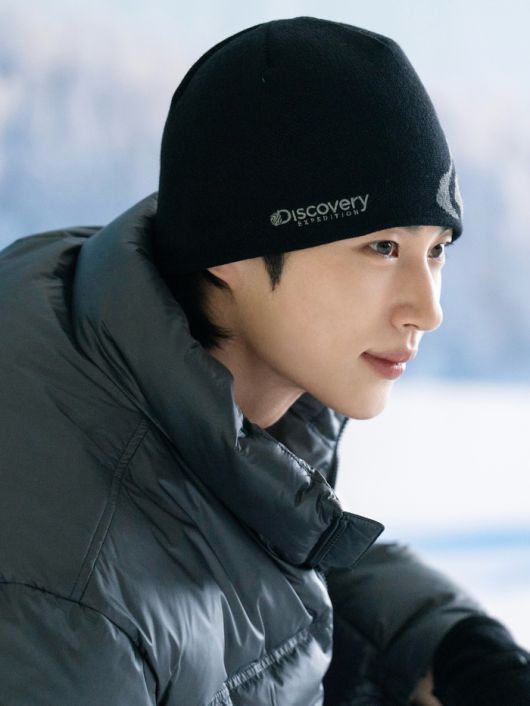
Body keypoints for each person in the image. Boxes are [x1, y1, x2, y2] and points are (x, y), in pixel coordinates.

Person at [0, 15, 529, 706]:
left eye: (436, 250)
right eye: (381, 248)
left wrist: (445, 644)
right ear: (232, 249)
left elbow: (247, 565)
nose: (427, 310)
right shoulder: (69, 610)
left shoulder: (193, 389)